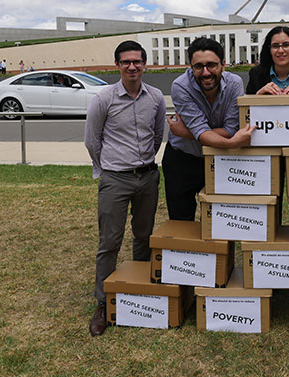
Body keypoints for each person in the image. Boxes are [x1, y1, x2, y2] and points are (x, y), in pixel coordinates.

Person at [84, 40, 166, 337]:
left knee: (144, 236)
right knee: (110, 241)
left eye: (137, 61)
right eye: (126, 62)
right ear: (117, 65)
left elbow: (158, 134)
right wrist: (106, 168)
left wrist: (146, 162)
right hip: (115, 179)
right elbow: (92, 141)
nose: (132, 66)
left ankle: (138, 290)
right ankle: (103, 303)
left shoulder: (156, 97)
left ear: (145, 64)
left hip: (147, 177)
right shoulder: (104, 98)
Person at [162, 37, 255, 221]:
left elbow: (229, 129)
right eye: (198, 66)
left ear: (223, 64)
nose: (205, 72)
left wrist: (185, 132)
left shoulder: (235, 83)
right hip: (182, 158)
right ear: (191, 68)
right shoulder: (180, 86)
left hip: (218, 157)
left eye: (211, 65)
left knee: (220, 219)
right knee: (181, 220)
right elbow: (206, 133)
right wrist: (231, 142)